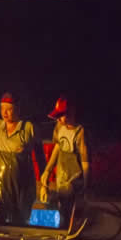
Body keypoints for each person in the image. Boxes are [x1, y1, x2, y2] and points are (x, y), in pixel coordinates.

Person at [0, 92, 46, 224]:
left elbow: (40, 156)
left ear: (18, 109)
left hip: (21, 187)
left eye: (9, 109)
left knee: (19, 221)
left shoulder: (28, 129)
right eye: (2, 108)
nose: (5, 112)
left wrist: (44, 183)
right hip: (0, 187)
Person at [39, 97, 90, 226]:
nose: (59, 119)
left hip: (74, 177)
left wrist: (86, 182)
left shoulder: (79, 131)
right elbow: (57, 148)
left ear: (71, 113)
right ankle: (58, 229)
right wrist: (47, 170)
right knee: (61, 205)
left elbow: (84, 159)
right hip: (61, 175)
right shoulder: (59, 127)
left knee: (69, 203)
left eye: (61, 116)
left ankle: (68, 228)